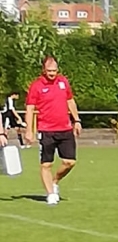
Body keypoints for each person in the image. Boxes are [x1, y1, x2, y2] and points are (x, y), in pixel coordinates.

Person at [24, 56, 81, 205]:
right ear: (43, 70)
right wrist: (29, 130)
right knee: (46, 164)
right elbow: (30, 109)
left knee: (70, 162)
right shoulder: (36, 86)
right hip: (46, 130)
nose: (52, 74)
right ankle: (50, 194)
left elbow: (70, 100)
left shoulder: (63, 82)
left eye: (54, 71)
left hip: (65, 129)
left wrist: (77, 120)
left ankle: (55, 181)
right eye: (49, 71)